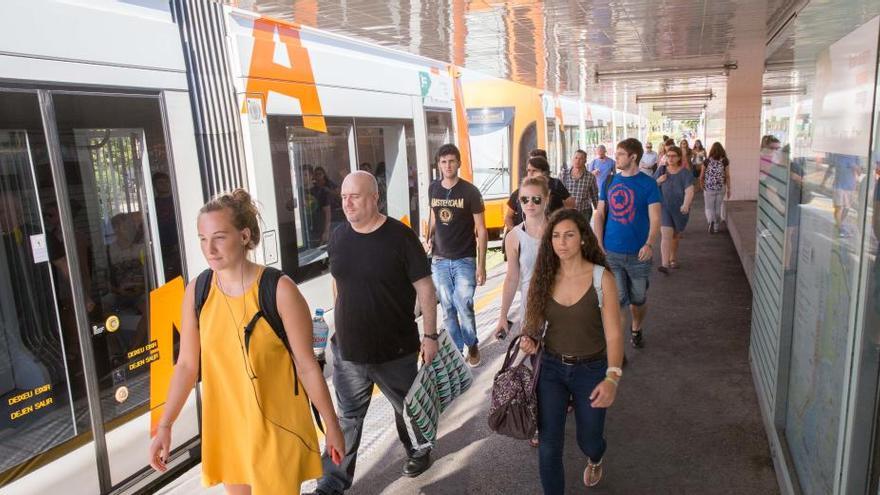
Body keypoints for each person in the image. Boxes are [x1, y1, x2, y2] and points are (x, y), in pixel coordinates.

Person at [149, 189, 344, 495]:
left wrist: (331, 425)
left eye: (219, 237)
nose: (209, 249)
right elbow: (187, 365)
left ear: (244, 235)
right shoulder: (198, 292)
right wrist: (165, 426)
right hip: (228, 429)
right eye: (202, 239)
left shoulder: (278, 290)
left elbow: (307, 366)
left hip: (277, 429)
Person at [313, 171, 439, 495]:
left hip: (395, 351)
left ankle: (418, 451)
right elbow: (338, 282)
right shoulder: (339, 236)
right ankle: (332, 483)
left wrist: (430, 336)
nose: (347, 202)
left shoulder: (400, 237)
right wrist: (333, 331)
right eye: (343, 197)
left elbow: (425, 288)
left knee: (407, 409)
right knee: (348, 421)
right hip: (349, 353)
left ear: (374, 197)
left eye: (354, 196)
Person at [519, 209, 624, 493]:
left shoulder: (602, 279)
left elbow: (614, 335)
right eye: (555, 236)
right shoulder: (544, 278)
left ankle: (596, 455)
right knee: (549, 445)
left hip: (591, 370)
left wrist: (612, 377)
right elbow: (534, 328)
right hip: (551, 369)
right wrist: (530, 341)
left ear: (582, 239)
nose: (561, 242)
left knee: (588, 440)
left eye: (569, 235)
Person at [594, 138, 661, 349]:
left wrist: (650, 243)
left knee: (638, 299)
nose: (617, 158)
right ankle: (617, 348)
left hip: (639, 254)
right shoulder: (609, 181)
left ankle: (637, 327)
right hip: (611, 251)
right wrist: (598, 242)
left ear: (633, 157)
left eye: (621, 154)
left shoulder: (648, 184)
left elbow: (656, 218)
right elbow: (600, 213)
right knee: (619, 299)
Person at [426, 143, 488, 366]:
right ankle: (456, 351)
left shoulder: (470, 191)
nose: (447, 165)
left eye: (451, 161)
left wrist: (481, 265)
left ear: (459, 163)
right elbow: (433, 216)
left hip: (464, 259)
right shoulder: (433, 188)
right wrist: (428, 236)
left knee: (464, 305)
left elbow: (481, 229)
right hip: (439, 259)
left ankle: (471, 343)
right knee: (448, 309)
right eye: (443, 162)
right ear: (439, 165)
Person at [494, 176, 549, 339]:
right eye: (525, 199)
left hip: (561, 307)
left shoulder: (558, 231)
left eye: (536, 199)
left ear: (546, 199)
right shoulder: (513, 237)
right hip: (531, 309)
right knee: (535, 360)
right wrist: (503, 316)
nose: (530, 204)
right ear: (519, 201)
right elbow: (512, 278)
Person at [654, 146, 695, 273]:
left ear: (678, 158)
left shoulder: (685, 173)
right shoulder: (661, 170)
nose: (670, 158)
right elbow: (650, 186)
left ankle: (673, 257)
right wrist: (658, 181)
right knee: (666, 235)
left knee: (675, 236)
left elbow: (689, 191)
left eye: (673, 156)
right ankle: (665, 264)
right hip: (664, 207)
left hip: (680, 209)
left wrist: (686, 204)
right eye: (668, 155)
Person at [504, 156, 573, 230]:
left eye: (534, 171)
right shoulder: (518, 192)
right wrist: (516, 232)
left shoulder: (554, 194)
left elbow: (568, 208)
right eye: (528, 170)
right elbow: (508, 217)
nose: (530, 174)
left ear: (544, 173)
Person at [560, 149, 599, 221]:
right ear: (572, 159)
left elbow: (594, 196)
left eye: (581, 158)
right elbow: (558, 193)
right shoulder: (564, 174)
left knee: (583, 231)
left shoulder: (590, 177)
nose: (577, 161)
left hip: (584, 211)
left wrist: (599, 212)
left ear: (585, 161)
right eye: (576, 158)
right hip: (567, 211)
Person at [700, 142, 731, 233]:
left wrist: (702, 186)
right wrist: (729, 189)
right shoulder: (725, 161)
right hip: (721, 187)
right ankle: (716, 226)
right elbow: (727, 176)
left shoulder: (706, 161)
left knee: (709, 207)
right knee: (718, 207)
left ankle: (711, 221)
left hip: (709, 188)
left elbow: (701, 176)